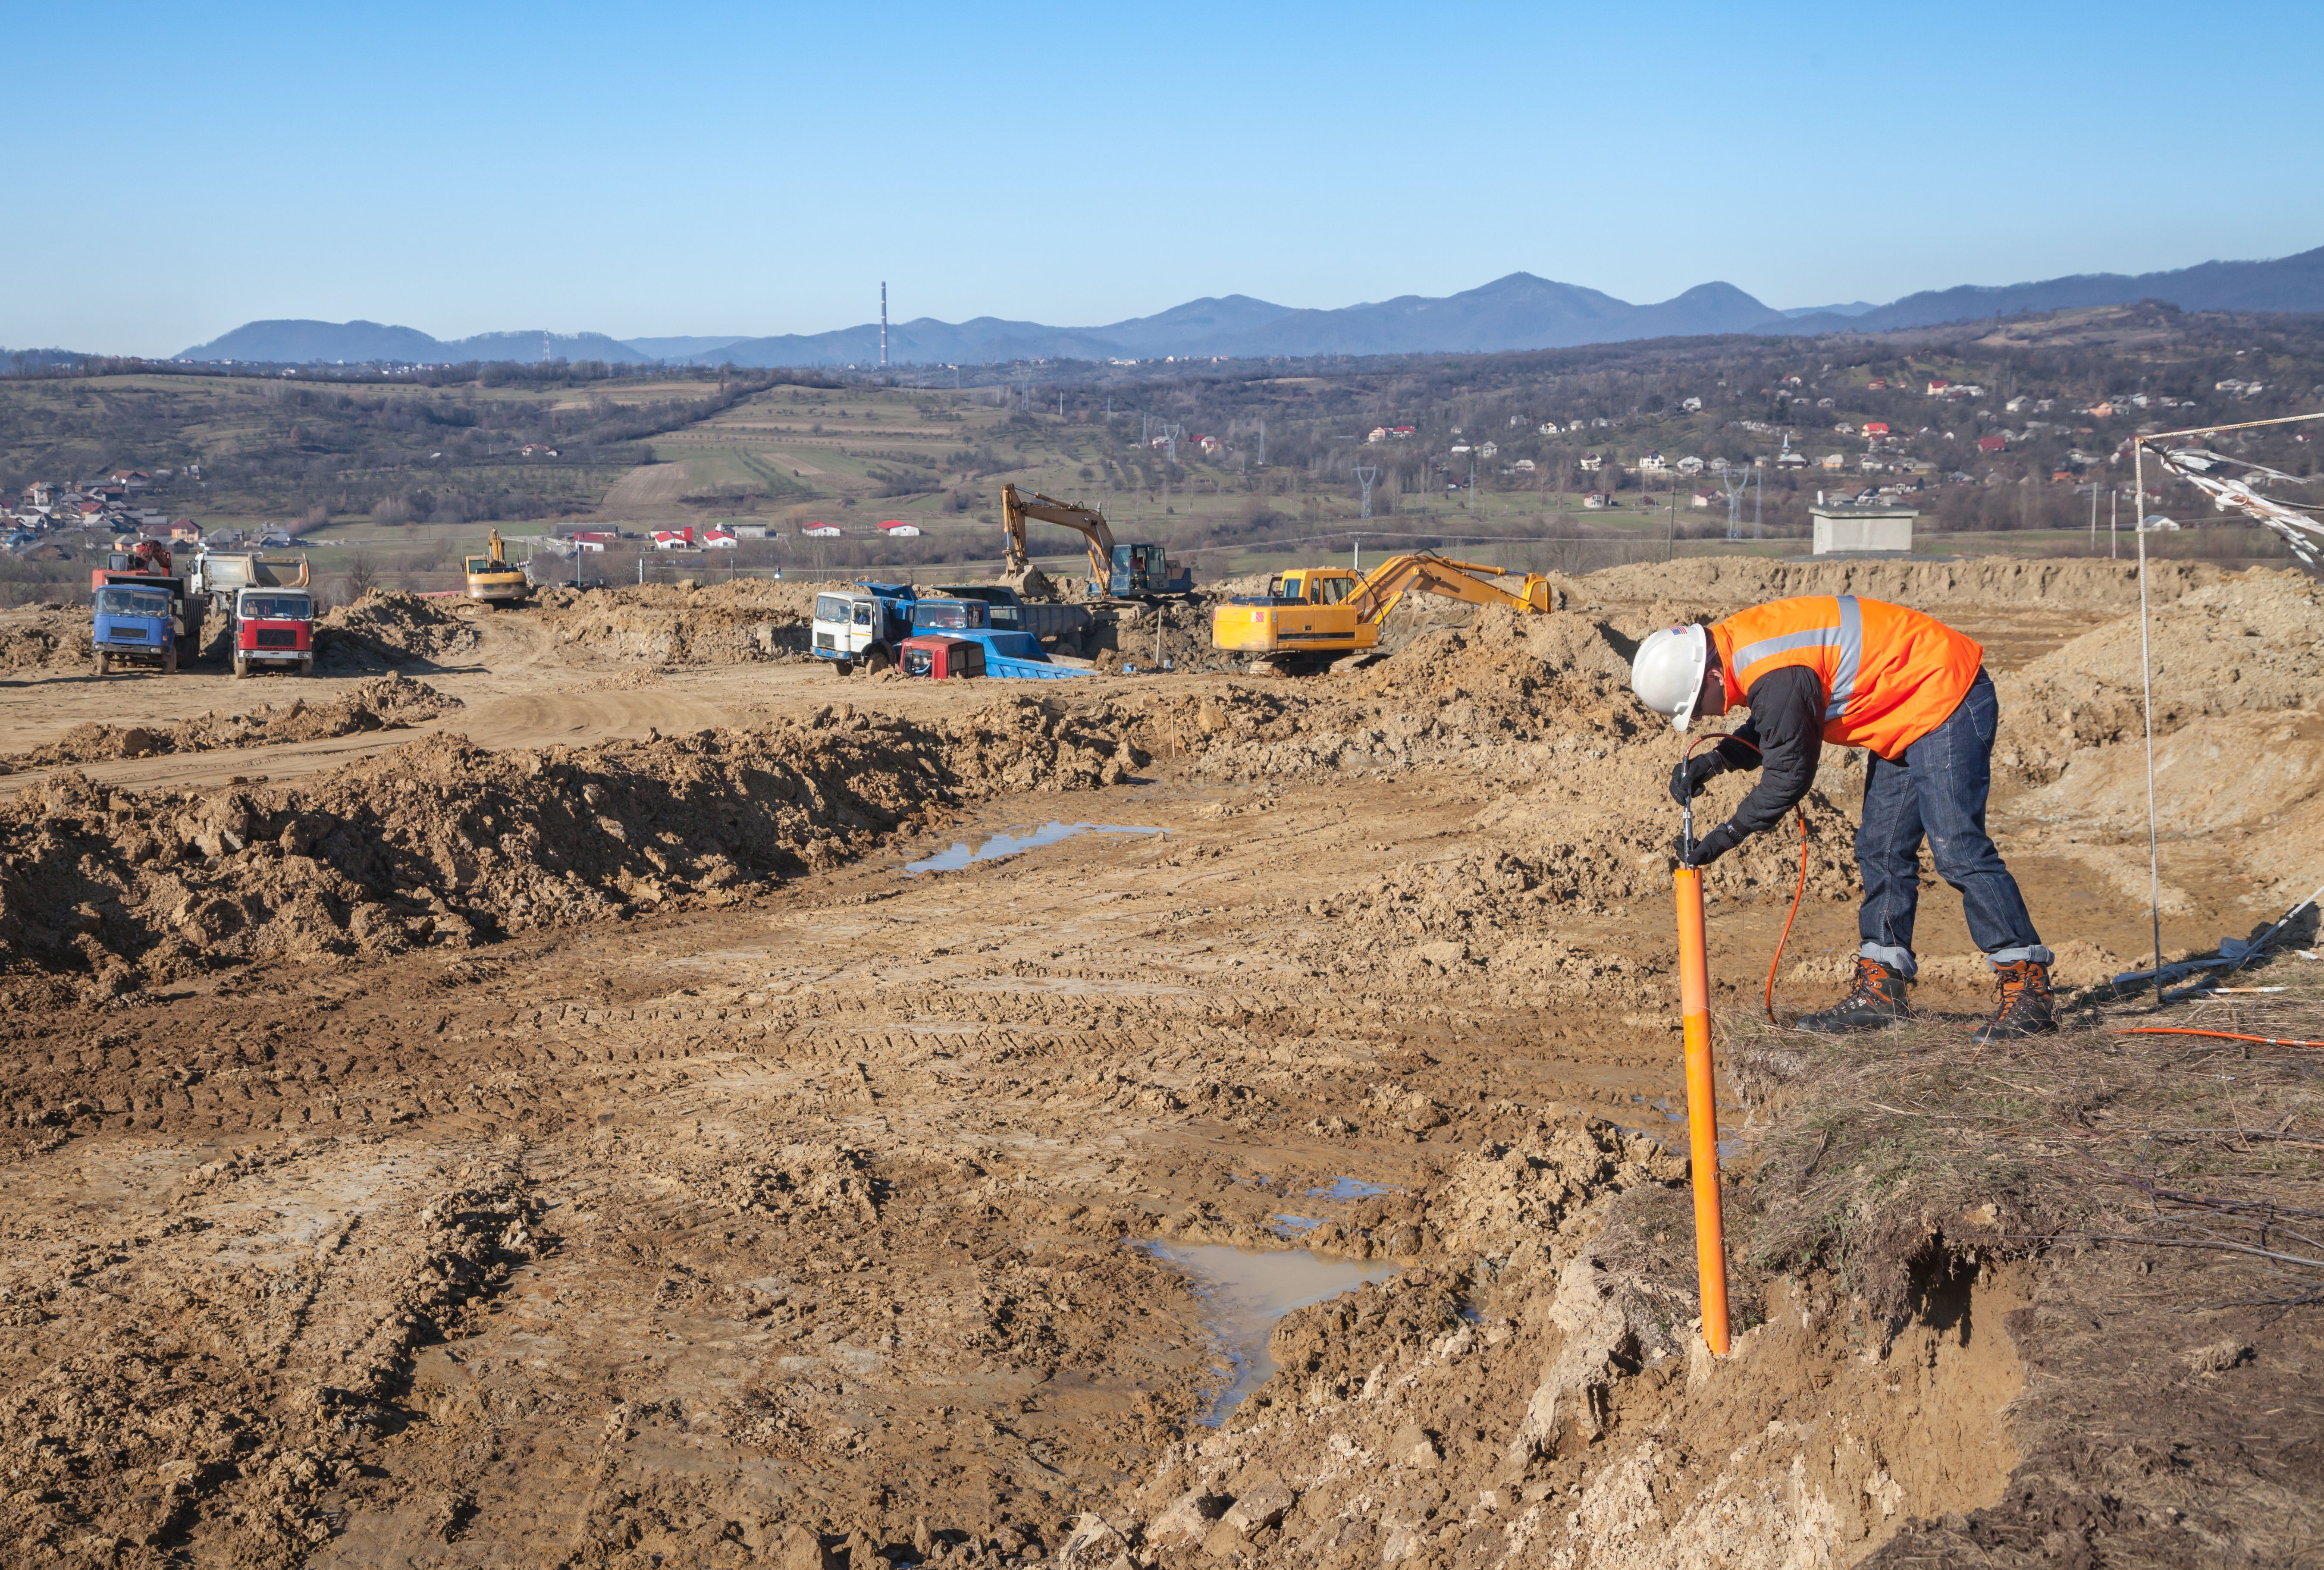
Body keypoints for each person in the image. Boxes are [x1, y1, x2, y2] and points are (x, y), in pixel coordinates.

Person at [1629, 594, 2054, 1042]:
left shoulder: (1771, 668)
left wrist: (1726, 836)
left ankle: (2028, 990)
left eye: (1698, 706)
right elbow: (1782, 718)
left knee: (1957, 846)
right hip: (1903, 706)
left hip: (1943, 694)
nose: (1706, 715)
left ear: (1712, 675)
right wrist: (1717, 760)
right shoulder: (1747, 649)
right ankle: (1883, 992)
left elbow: (1788, 775)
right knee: (1881, 848)